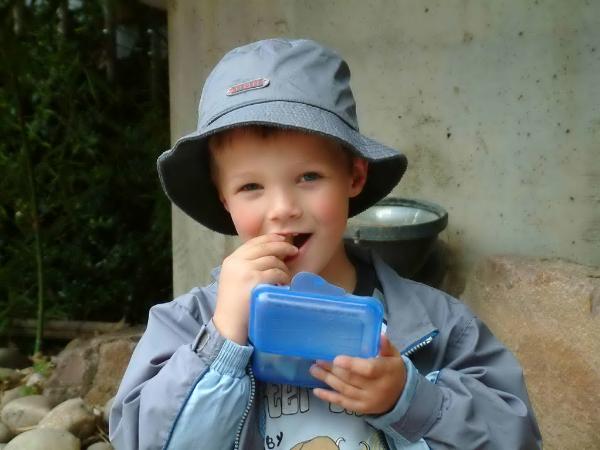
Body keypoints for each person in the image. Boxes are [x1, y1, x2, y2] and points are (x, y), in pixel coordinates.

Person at [109, 38, 542, 450]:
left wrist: (411, 400)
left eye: (309, 177)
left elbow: (514, 437)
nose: (282, 208)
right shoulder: (187, 325)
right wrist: (221, 343)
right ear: (224, 199)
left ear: (354, 176)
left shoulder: (438, 325)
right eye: (251, 186)